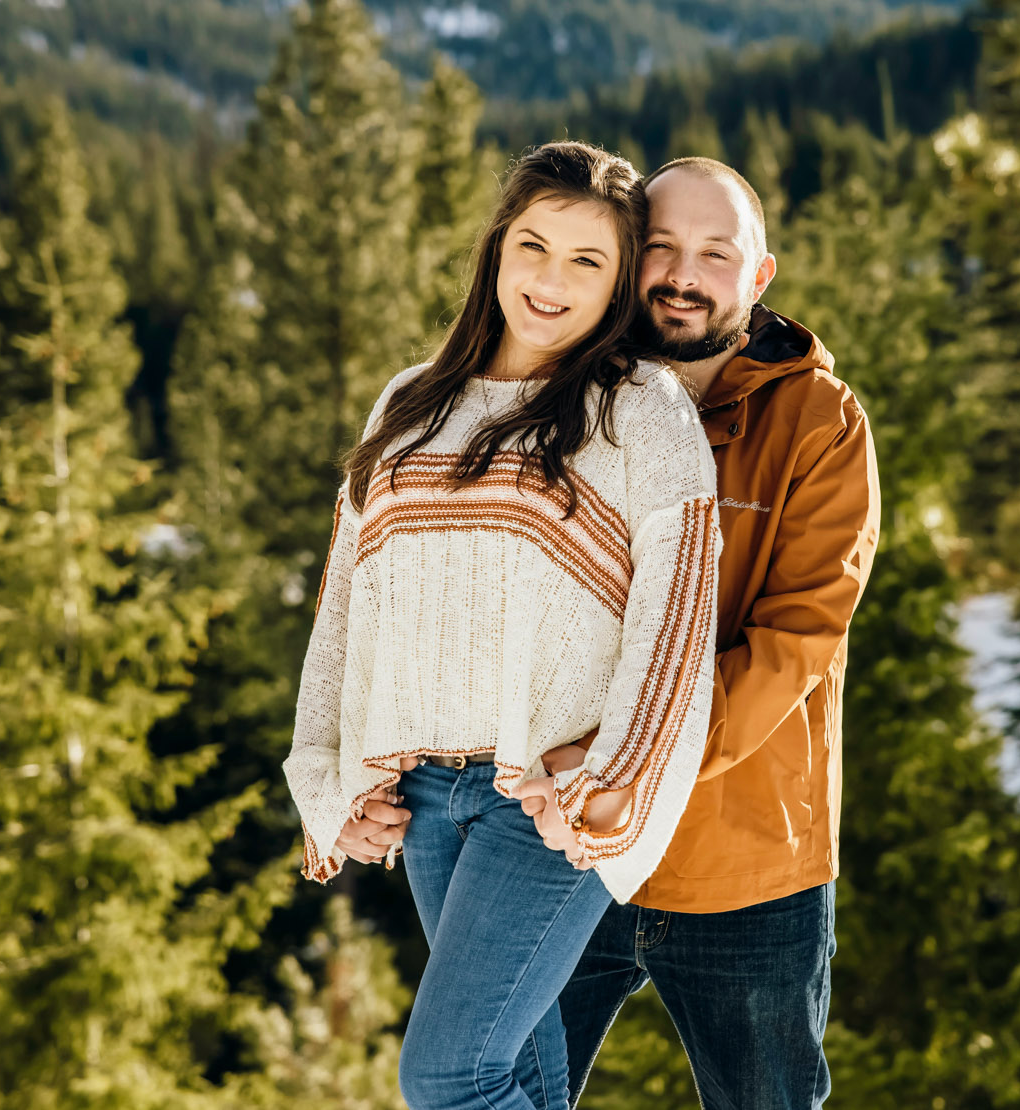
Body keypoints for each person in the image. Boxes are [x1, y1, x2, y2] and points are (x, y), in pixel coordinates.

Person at [281, 142, 722, 1110]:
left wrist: (611, 783)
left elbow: (676, 627)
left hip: (547, 802)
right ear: (495, 249)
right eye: (533, 245)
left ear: (616, 286)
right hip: (428, 801)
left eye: (586, 261)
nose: (550, 280)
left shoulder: (638, 413)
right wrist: (330, 779)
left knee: (447, 1071)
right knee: (517, 1070)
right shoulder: (407, 402)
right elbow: (345, 605)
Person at [533, 157, 881, 1110]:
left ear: (758, 276)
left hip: (746, 870)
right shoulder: (564, 398)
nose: (683, 274)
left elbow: (795, 640)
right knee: (497, 1091)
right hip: (565, 854)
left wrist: (628, 769)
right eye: (660, 247)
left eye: (715, 254)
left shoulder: (818, 422)